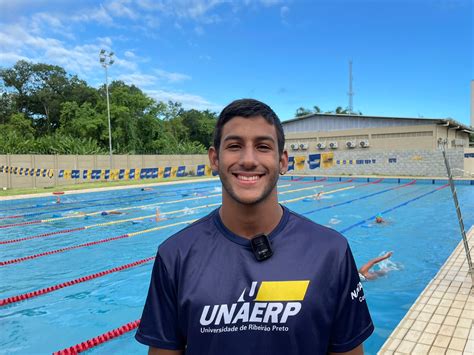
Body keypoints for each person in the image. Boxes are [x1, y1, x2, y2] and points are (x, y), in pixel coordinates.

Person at [135, 99, 374, 355]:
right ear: (214, 159)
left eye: (262, 146)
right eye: (235, 146)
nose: (248, 160)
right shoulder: (175, 255)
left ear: (283, 161)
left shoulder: (330, 252)